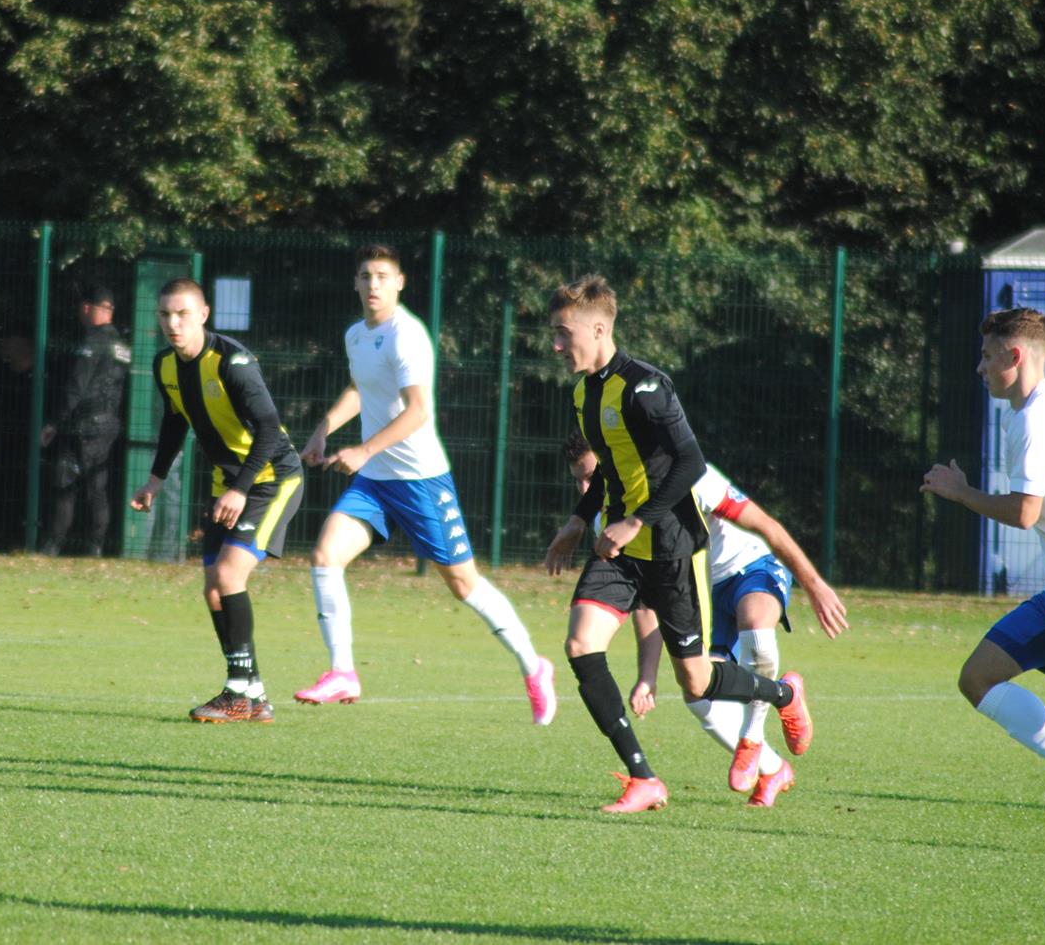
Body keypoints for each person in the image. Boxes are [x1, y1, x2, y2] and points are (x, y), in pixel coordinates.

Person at [544, 273, 812, 813]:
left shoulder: (647, 386)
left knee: (695, 678)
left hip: (670, 547)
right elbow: (606, 473)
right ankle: (644, 779)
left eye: (562, 332)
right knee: (580, 645)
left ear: (598, 328)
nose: (555, 344)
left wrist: (637, 519)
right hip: (619, 552)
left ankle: (784, 694)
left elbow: (689, 460)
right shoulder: (582, 393)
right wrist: (580, 519)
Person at [297, 244, 556, 724]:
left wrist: (363, 450)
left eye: (382, 276)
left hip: (420, 481)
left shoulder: (407, 335)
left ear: (399, 283)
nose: (373, 285)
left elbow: (418, 411)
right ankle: (343, 673)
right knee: (325, 556)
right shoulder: (356, 335)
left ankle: (534, 666)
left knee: (462, 584)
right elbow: (359, 388)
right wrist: (324, 429)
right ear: (355, 284)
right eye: (365, 276)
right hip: (376, 481)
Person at [922, 306, 1045, 838]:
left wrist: (960, 493)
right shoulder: (1030, 412)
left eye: (987, 356)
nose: (980, 367)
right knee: (978, 678)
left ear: (1015, 356)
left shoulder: (1035, 420)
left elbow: (1024, 513)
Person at [564, 434, 850, 806]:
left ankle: (752, 735)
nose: (586, 488)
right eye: (578, 480)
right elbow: (645, 603)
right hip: (701, 590)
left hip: (752, 567)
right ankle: (772, 765)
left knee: (756, 629)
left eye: (591, 475)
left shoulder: (689, 478)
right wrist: (647, 676)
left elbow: (768, 526)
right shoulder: (610, 516)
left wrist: (815, 586)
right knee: (698, 694)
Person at [130, 278, 303, 723]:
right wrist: (154, 481)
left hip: (271, 479)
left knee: (229, 574)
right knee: (213, 589)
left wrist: (241, 488)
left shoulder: (234, 362)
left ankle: (237, 692)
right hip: (228, 482)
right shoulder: (164, 365)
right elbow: (174, 424)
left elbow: (268, 428)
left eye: (183, 314)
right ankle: (254, 692)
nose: (173, 323)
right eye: (165, 314)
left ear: (203, 315)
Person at [43, 284, 130, 557]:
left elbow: (76, 387)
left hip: (84, 425)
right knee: (97, 487)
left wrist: (54, 423)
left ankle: (52, 545)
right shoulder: (122, 345)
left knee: (65, 482)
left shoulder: (92, 343)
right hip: (109, 425)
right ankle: (96, 547)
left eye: (85, 307)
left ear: (89, 308)